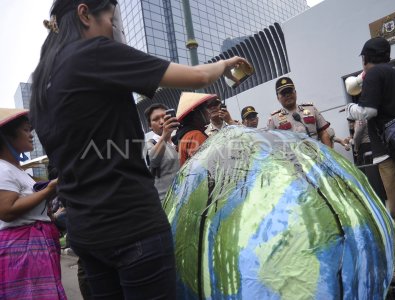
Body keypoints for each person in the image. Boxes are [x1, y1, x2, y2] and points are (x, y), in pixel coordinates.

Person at [30, 1, 252, 298]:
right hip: (131, 223)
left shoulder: (42, 82)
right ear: (84, 14)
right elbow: (198, 76)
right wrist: (225, 64)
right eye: (110, 19)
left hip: (86, 231)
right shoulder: (93, 52)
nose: (114, 27)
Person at [346, 37, 395, 285]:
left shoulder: (376, 73)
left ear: (366, 57)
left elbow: (369, 112)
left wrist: (351, 110)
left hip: (388, 151)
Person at [0, 108, 66, 299]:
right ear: (6, 136)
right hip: (22, 250)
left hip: (34, 247)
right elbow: (6, 210)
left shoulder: (15, 170)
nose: (31, 135)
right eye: (26, 130)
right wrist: (48, 190)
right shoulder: (3, 169)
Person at [268, 77, 332, 147]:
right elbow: (272, 145)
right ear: (278, 98)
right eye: (283, 93)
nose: (287, 95)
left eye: (289, 91)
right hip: (292, 157)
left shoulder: (311, 109)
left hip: (316, 155)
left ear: (295, 92)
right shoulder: (274, 119)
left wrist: (330, 156)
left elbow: (323, 133)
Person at [144, 103, 179, 201]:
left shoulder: (178, 140)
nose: (161, 121)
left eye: (164, 117)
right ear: (150, 126)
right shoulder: (149, 145)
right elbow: (153, 160)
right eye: (156, 119)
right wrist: (165, 136)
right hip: (165, 203)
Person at [175, 92, 217, 165]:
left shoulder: (186, 135)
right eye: (205, 108)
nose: (208, 112)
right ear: (197, 113)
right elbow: (207, 165)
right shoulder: (195, 136)